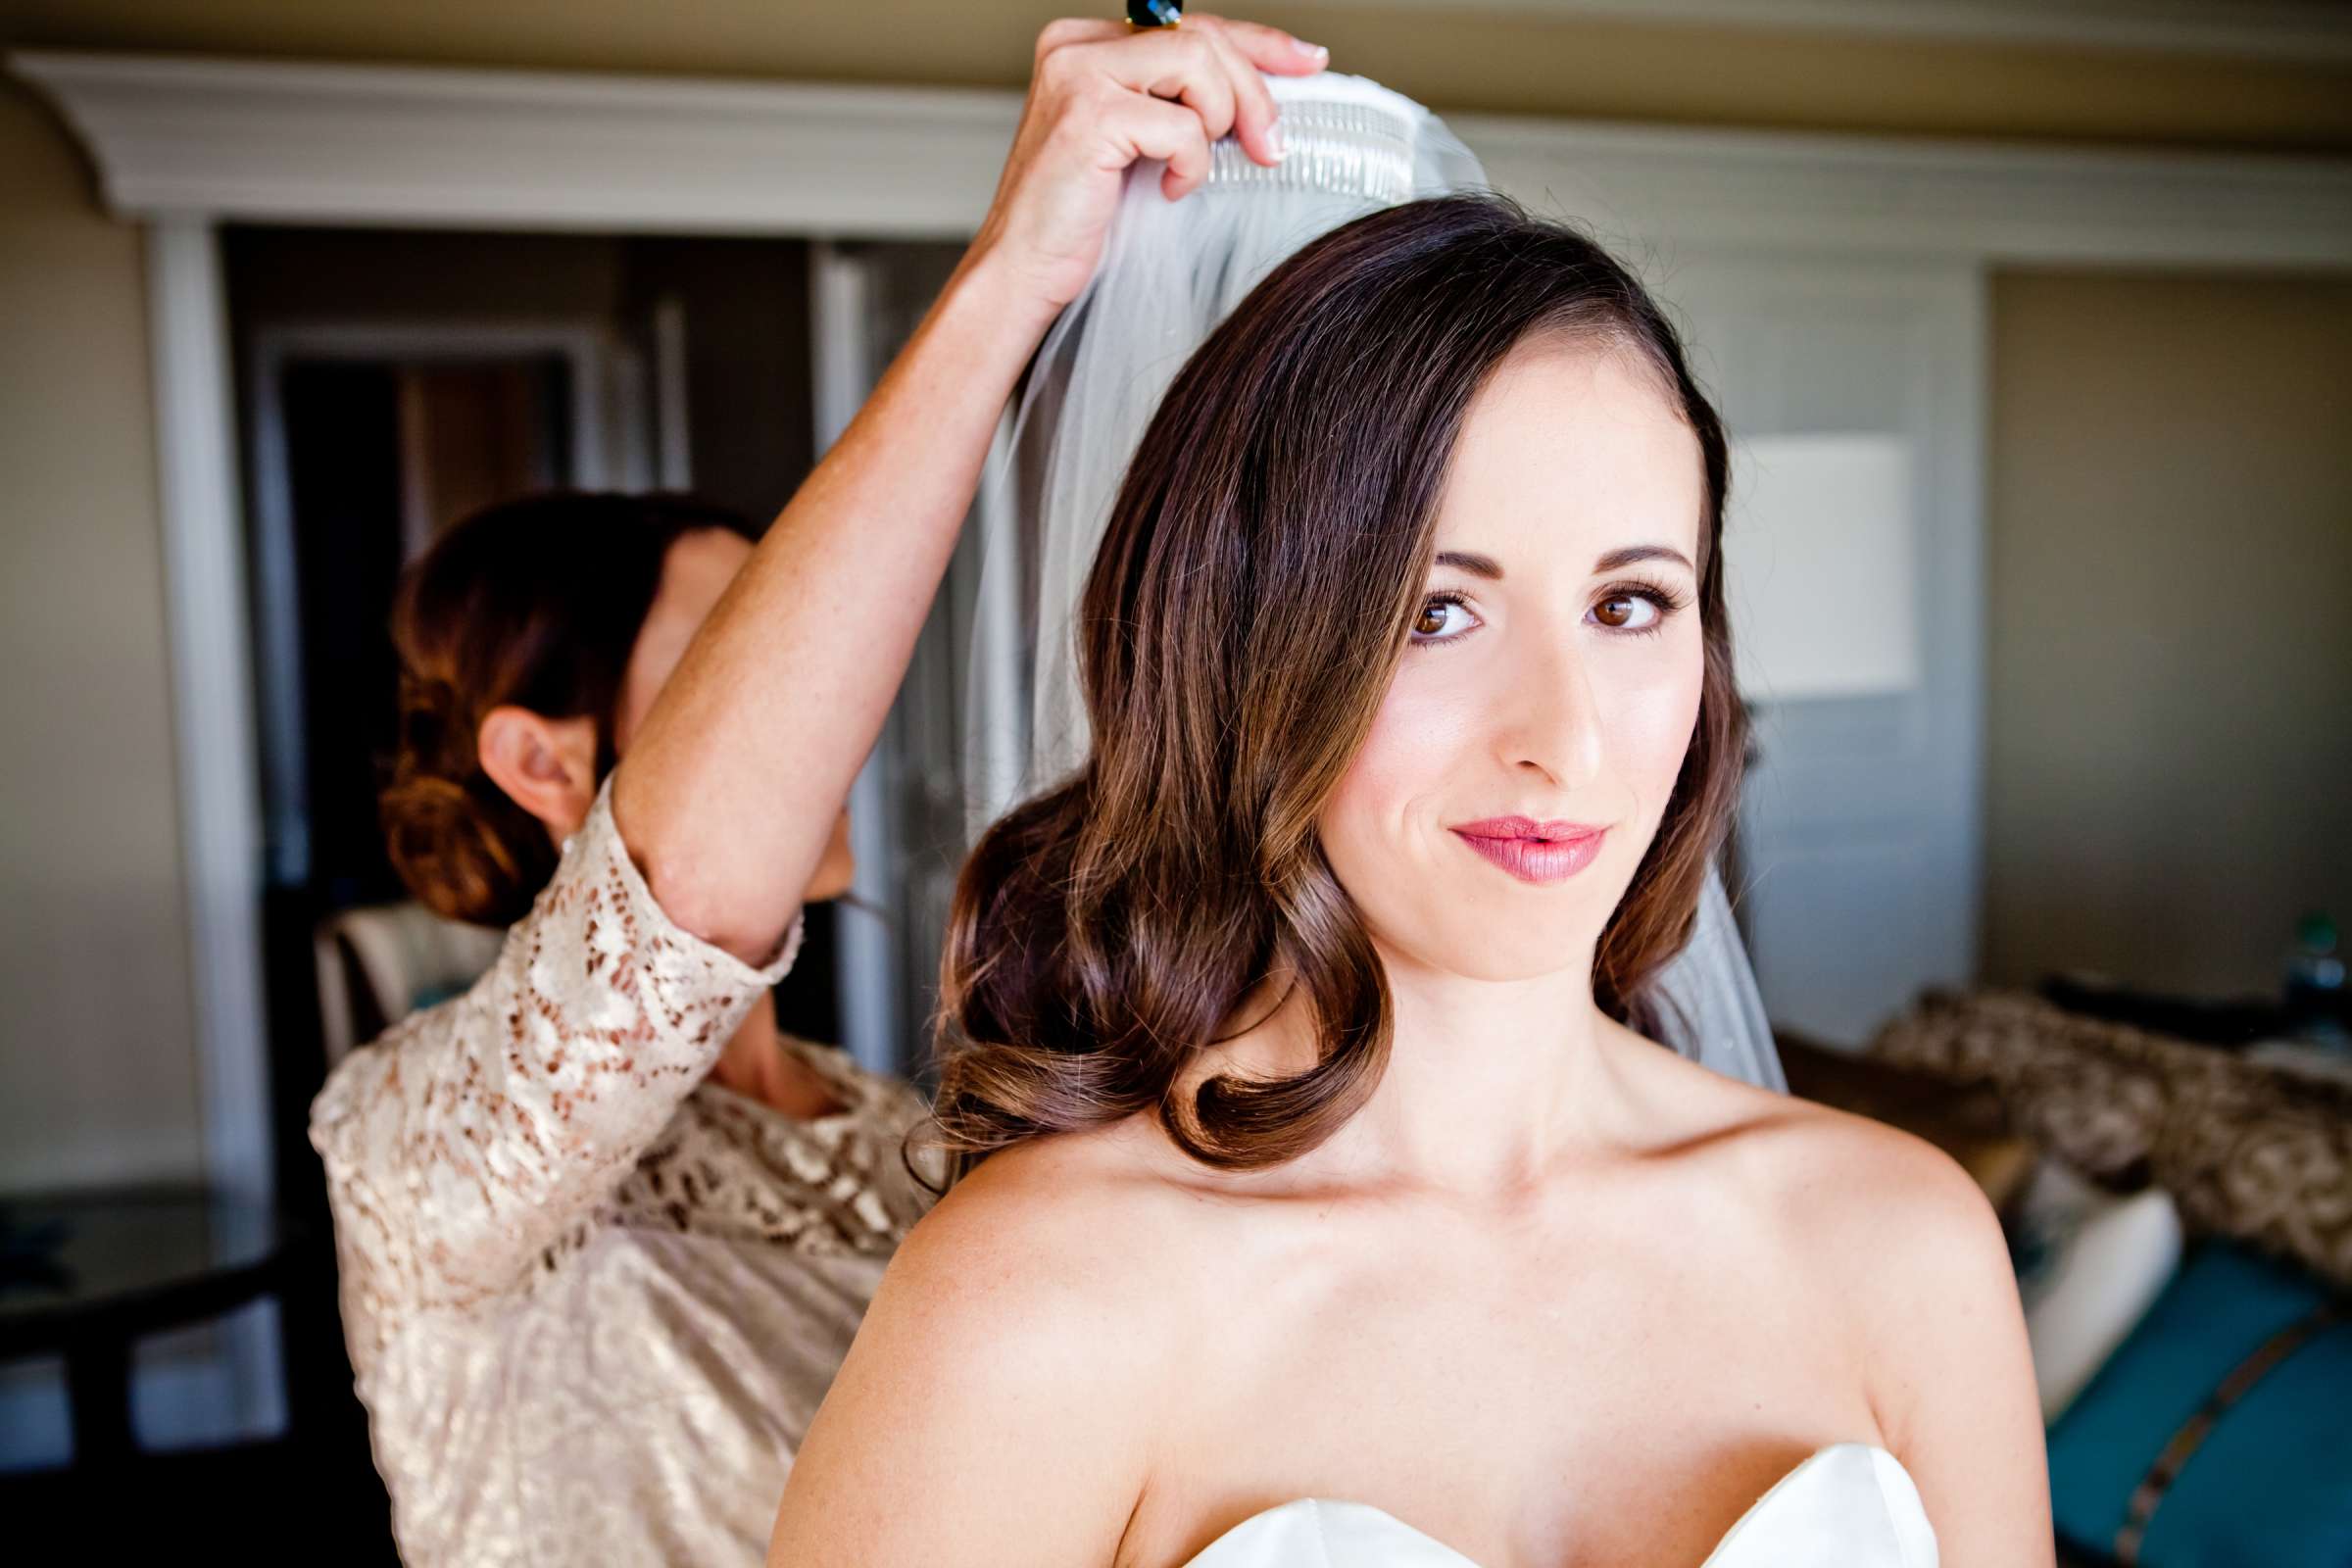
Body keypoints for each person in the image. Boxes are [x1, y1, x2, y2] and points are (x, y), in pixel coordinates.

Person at [763, 24, 2054, 1568]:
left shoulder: (1900, 1244)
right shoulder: (1037, 1310)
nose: (1562, 740)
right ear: (1244, 653)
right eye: (1437, 612)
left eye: (1632, 605)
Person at [307, 16, 1328, 1567]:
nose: (836, 714)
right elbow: (676, 911)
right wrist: (1011, 281)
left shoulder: (896, 1128)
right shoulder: (403, 1142)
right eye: (738, 657)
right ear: (539, 761)